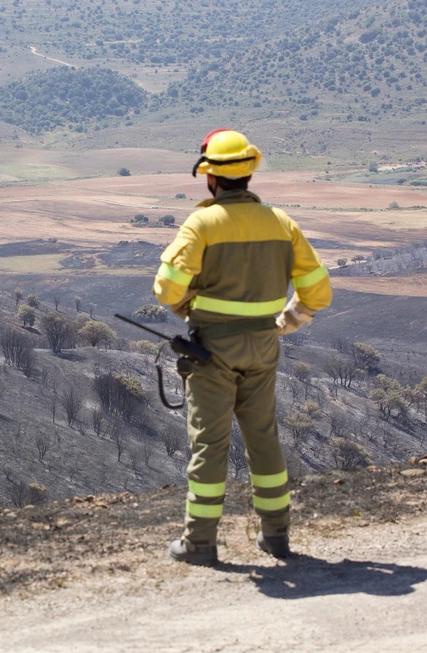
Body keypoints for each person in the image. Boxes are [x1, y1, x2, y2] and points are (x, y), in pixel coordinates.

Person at [152, 129, 332, 566]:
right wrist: (285, 323)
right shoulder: (280, 223)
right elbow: (318, 291)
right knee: (263, 439)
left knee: (210, 446)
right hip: (264, 347)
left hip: (212, 350)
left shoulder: (202, 223)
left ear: (210, 177)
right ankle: (276, 536)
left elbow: (165, 288)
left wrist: (185, 308)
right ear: (249, 172)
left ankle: (199, 544)